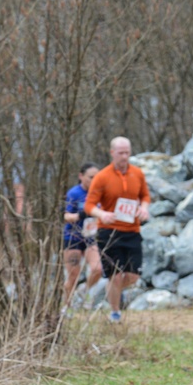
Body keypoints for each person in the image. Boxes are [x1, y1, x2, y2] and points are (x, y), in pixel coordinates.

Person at [84, 137, 151, 323]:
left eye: (127, 152)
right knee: (114, 276)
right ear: (112, 153)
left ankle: (111, 293)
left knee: (133, 276)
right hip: (108, 232)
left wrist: (144, 208)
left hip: (132, 230)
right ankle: (115, 313)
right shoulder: (102, 177)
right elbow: (89, 205)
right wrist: (102, 214)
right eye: (120, 153)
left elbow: (145, 196)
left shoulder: (137, 173)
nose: (124, 156)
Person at [62, 162, 103, 306]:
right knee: (73, 275)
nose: (94, 180)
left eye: (97, 177)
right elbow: (66, 216)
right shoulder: (74, 194)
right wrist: (80, 215)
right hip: (72, 237)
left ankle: (84, 291)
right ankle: (67, 306)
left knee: (97, 269)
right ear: (81, 176)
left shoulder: (99, 193)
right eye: (91, 177)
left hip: (90, 237)